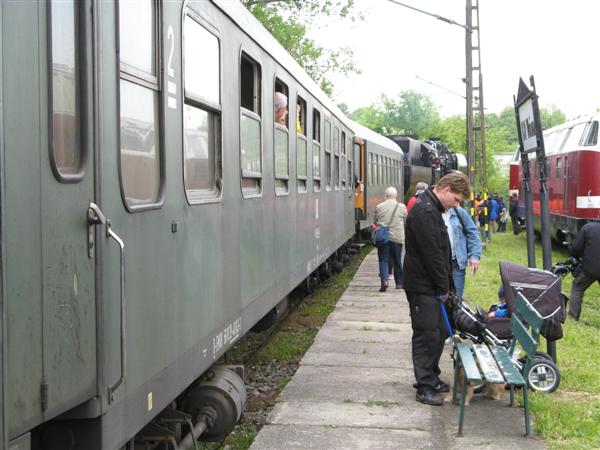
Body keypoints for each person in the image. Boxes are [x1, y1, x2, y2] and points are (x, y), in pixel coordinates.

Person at [404, 171, 471, 406]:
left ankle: (431, 376)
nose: (457, 205)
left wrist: (446, 287)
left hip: (433, 284)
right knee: (427, 334)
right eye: (457, 199)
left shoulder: (435, 209)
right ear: (446, 190)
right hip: (424, 285)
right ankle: (424, 386)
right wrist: (443, 288)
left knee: (441, 331)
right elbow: (432, 254)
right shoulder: (425, 212)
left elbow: (440, 252)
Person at [441, 205, 482, 299]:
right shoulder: (432, 213)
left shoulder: (459, 213)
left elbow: (472, 233)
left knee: (456, 300)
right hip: (438, 265)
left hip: (456, 264)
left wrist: (474, 256)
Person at [374, 186, 407, 292]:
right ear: (396, 196)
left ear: (385, 196)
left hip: (384, 237)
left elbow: (375, 221)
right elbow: (405, 219)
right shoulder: (402, 207)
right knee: (397, 260)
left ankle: (384, 281)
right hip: (397, 237)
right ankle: (399, 283)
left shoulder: (379, 207)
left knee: (383, 259)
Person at [568, 222, 600, 320]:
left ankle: (573, 316)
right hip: (591, 268)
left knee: (577, 287)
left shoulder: (589, 227)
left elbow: (576, 248)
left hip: (589, 269)